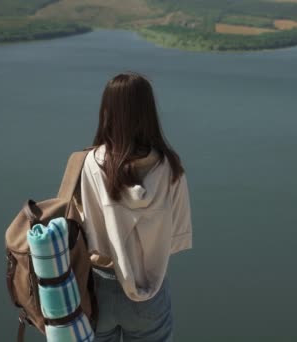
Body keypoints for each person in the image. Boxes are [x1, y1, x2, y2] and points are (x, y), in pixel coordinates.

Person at [73, 72, 193, 342]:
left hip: (99, 289)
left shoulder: (93, 163)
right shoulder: (171, 168)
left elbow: (90, 233)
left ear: (109, 111)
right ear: (148, 112)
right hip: (150, 291)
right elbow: (175, 240)